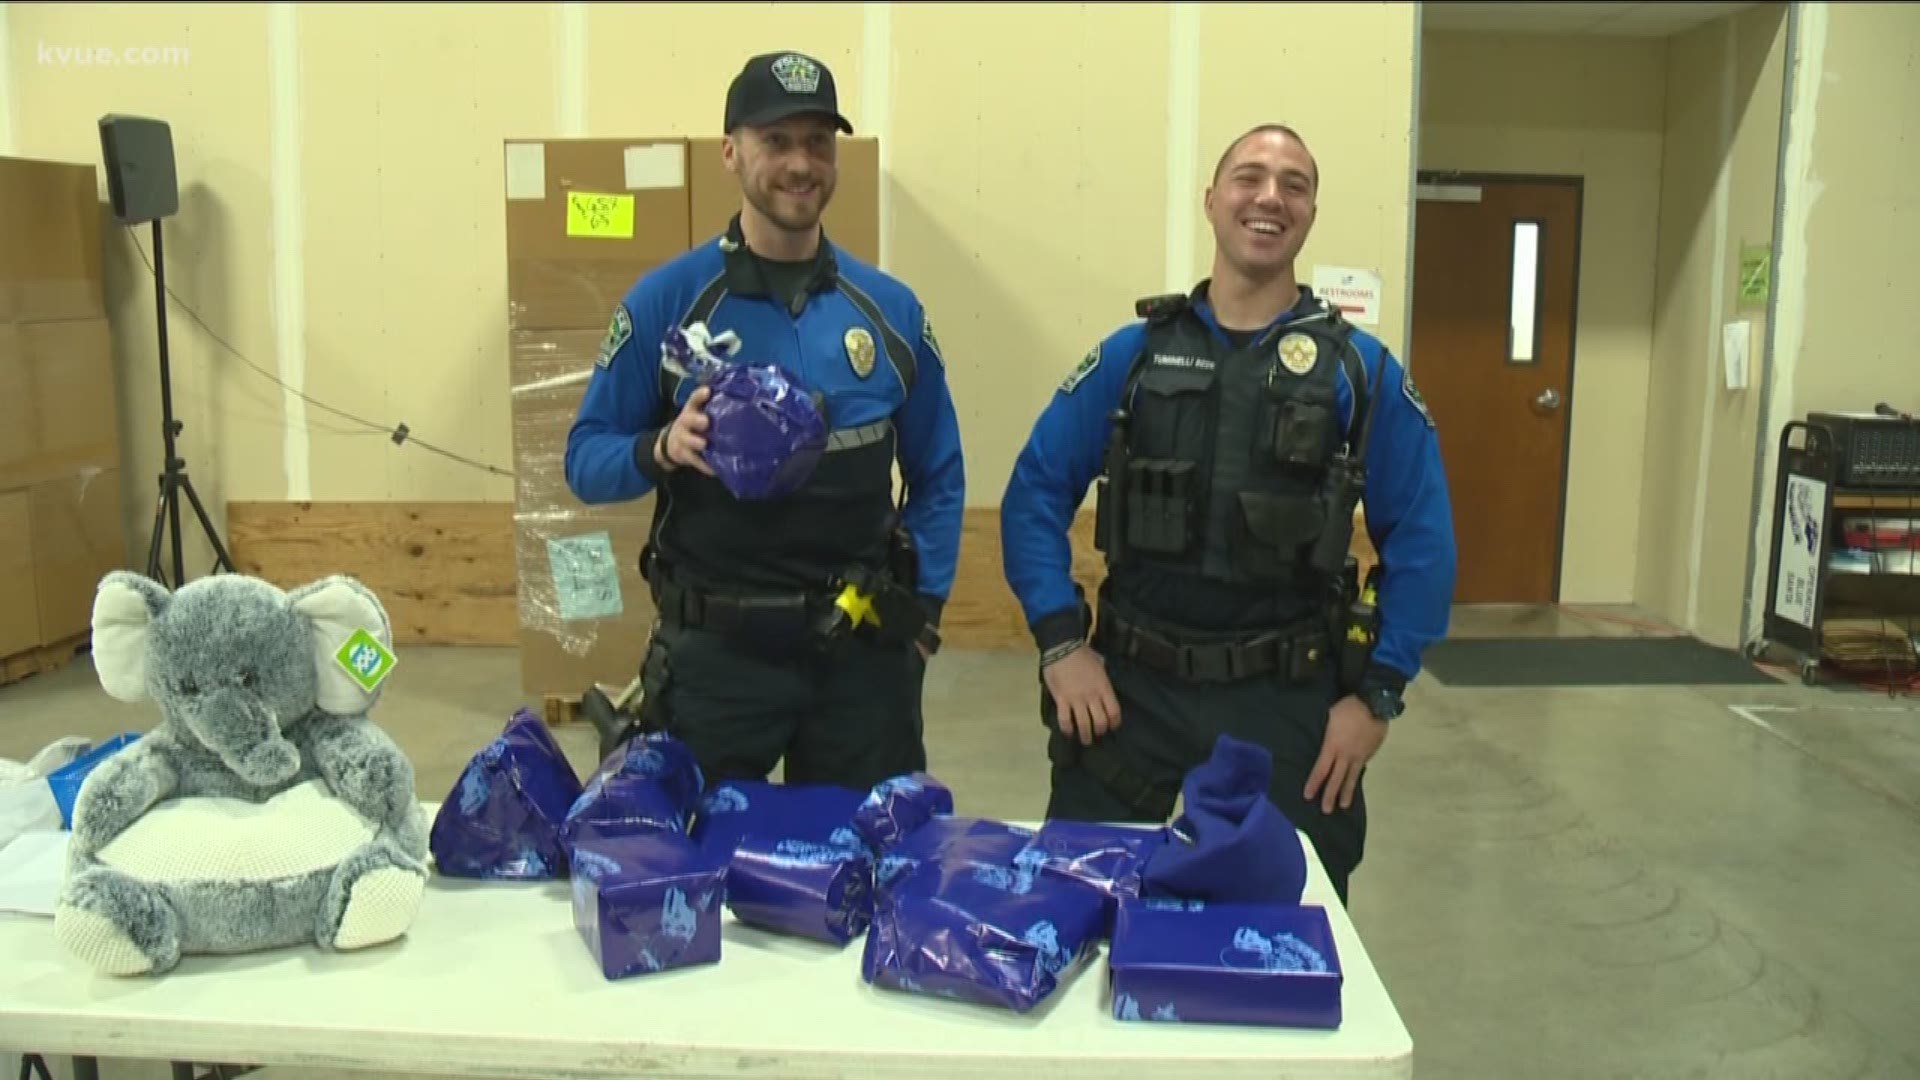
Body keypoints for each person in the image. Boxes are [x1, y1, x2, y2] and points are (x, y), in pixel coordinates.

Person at [998, 123, 1456, 904]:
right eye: (1249, 177)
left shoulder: (1358, 371)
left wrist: (1377, 695)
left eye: (1295, 184)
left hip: (1286, 700)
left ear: (1310, 214)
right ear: (1212, 201)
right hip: (1130, 692)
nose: (1270, 196)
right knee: (1074, 907)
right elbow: (1034, 493)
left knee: (1285, 928)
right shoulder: (1133, 355)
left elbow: (1422, 538)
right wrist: (1060, 642)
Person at [564, 51, 965, 793]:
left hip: (862, 664)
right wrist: (662, 447)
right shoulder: (667, 303)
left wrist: (925, 617)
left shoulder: (890, 313)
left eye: (818, 142)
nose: (800, 163)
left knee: (866, 878)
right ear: (731, 151)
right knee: (692, 883)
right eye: (776, 141)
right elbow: (584, 459)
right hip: (716, 667)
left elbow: (940, 472)